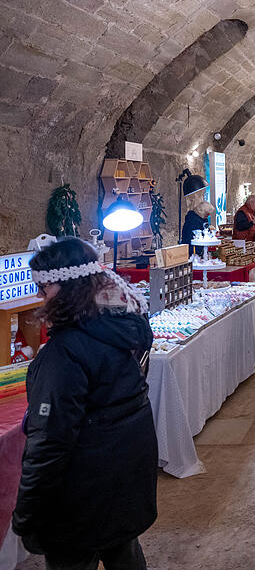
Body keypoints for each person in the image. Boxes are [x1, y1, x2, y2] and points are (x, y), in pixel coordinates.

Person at [14, 238, 157, 569]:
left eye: (44, 288)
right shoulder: (120, 328)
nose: (40, 297)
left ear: (67, 288)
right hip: (123, 484)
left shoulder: (64, 353)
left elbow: (49, 443)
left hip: (80, 499)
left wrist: (26, 514)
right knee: (124, 552)